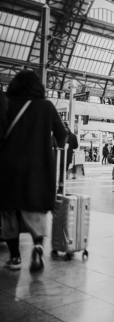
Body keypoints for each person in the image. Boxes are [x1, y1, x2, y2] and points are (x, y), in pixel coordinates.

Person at [0, 70, 67, 271]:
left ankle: (15, 258)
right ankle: (37, 247)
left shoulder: (5, 103)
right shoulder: (46, 106)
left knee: (9, 212)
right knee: (34, 210)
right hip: (37, 168)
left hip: (8, 166)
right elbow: (62, 134)